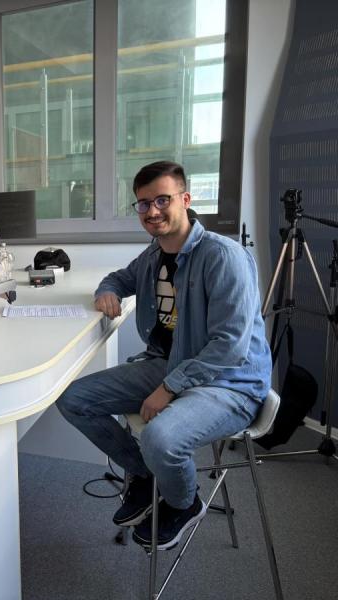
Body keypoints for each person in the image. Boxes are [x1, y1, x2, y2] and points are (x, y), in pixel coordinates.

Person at [56, 160, 271, 550]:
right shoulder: (154, 254)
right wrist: (107, 291)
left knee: (160, 439)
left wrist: (169, 388)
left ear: (185, 200)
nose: (152, 211)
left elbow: (230, 346)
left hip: (230, 382)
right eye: (143, 203)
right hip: (171, 365)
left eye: (162, 200)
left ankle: (183, 502)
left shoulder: (224, 256)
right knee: (73, 399)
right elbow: (119, 278)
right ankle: (146, 474)